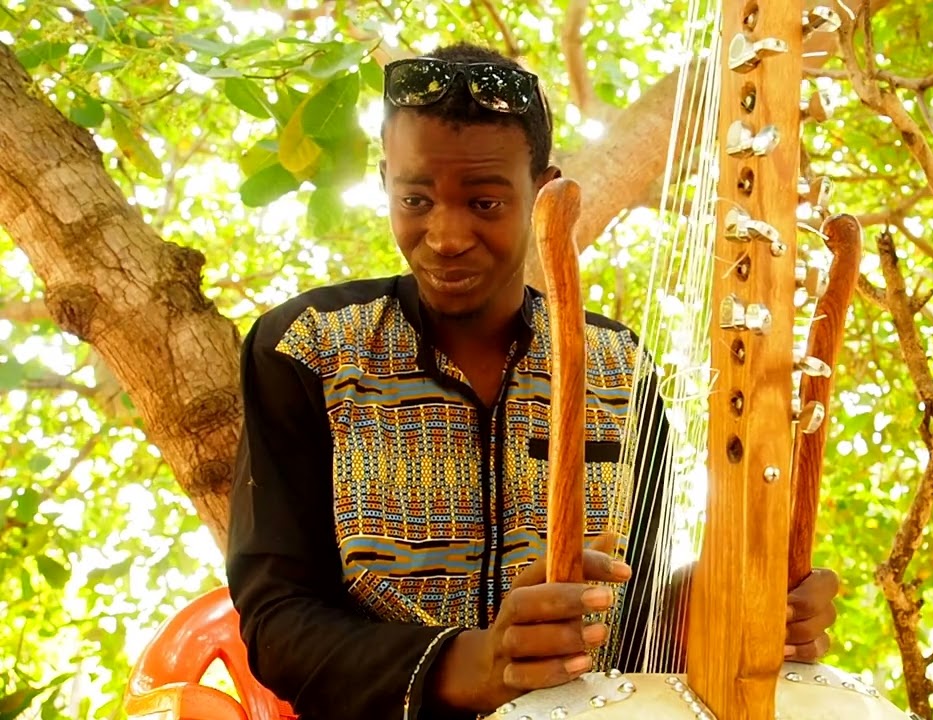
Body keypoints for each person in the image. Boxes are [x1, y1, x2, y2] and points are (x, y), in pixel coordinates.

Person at [226, 41, 841, 720]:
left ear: (544, 192)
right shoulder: (310, 347)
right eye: (416, 198)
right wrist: (472, 665)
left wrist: (746, 601)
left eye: (485, 202)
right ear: (385, 185)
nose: (446, 233)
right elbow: (276, 620)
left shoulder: (618, 363)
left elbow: (639, 604)